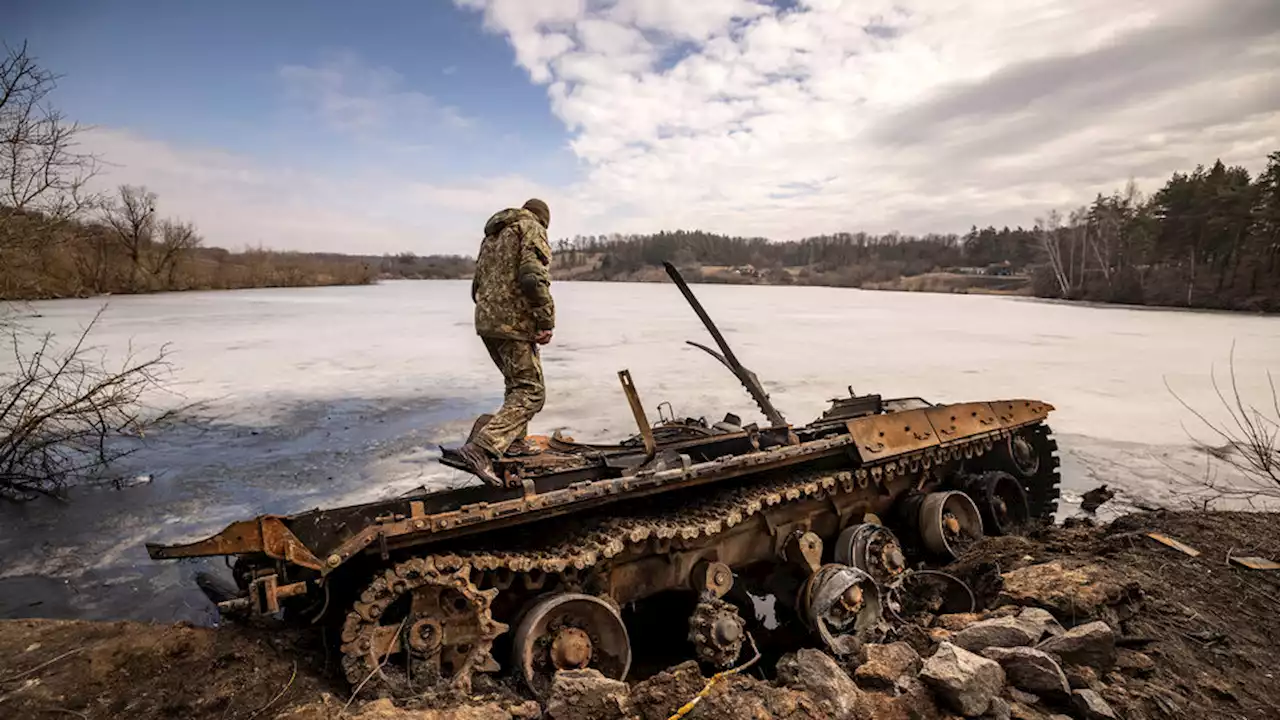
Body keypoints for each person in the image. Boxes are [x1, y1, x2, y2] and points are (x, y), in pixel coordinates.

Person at [456, 198, 555, 487]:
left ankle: (514, 443)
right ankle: (482, 447)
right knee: (531, 392)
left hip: (487, 320)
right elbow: (532, 277)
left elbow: (476, 285)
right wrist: (545, 320)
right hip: (513, 321)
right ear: (543, 219)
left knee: (515, 385)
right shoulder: (531, 227)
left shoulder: (493, 235)